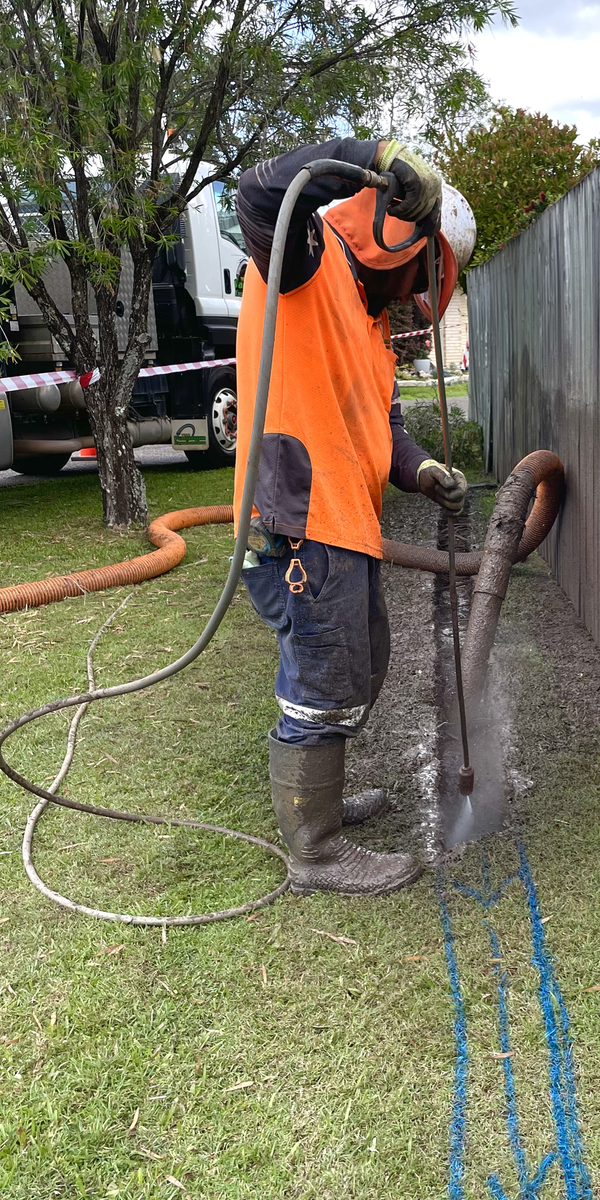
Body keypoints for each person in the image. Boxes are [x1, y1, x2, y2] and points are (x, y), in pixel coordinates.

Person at [234, 139, 476, 898]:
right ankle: (316, 853)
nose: (415, 302)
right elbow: (260, 193)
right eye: (423, 279)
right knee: (324, 682)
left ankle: (324, 803)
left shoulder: (371, 331)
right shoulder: (306, 259)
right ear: (400, 232)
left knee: (361, 663)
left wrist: (422, 469)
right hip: (302, 522)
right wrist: (368, 155)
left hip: (344, 526)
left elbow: (385, 432)